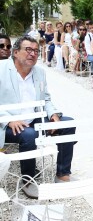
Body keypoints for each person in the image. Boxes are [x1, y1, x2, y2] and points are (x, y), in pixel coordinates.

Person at [0, 36, 76, 199]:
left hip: (34, 119)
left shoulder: (39, 72)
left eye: (35, 50)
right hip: (6, 124)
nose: (33, 54)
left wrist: (53, 114)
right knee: (29, 135)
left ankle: (63, 174)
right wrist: (8, 119)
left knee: (68, 124)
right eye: (28, 50)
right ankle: (28, 180)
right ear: (15, 52)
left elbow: (45, 99)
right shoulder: (1, 69)